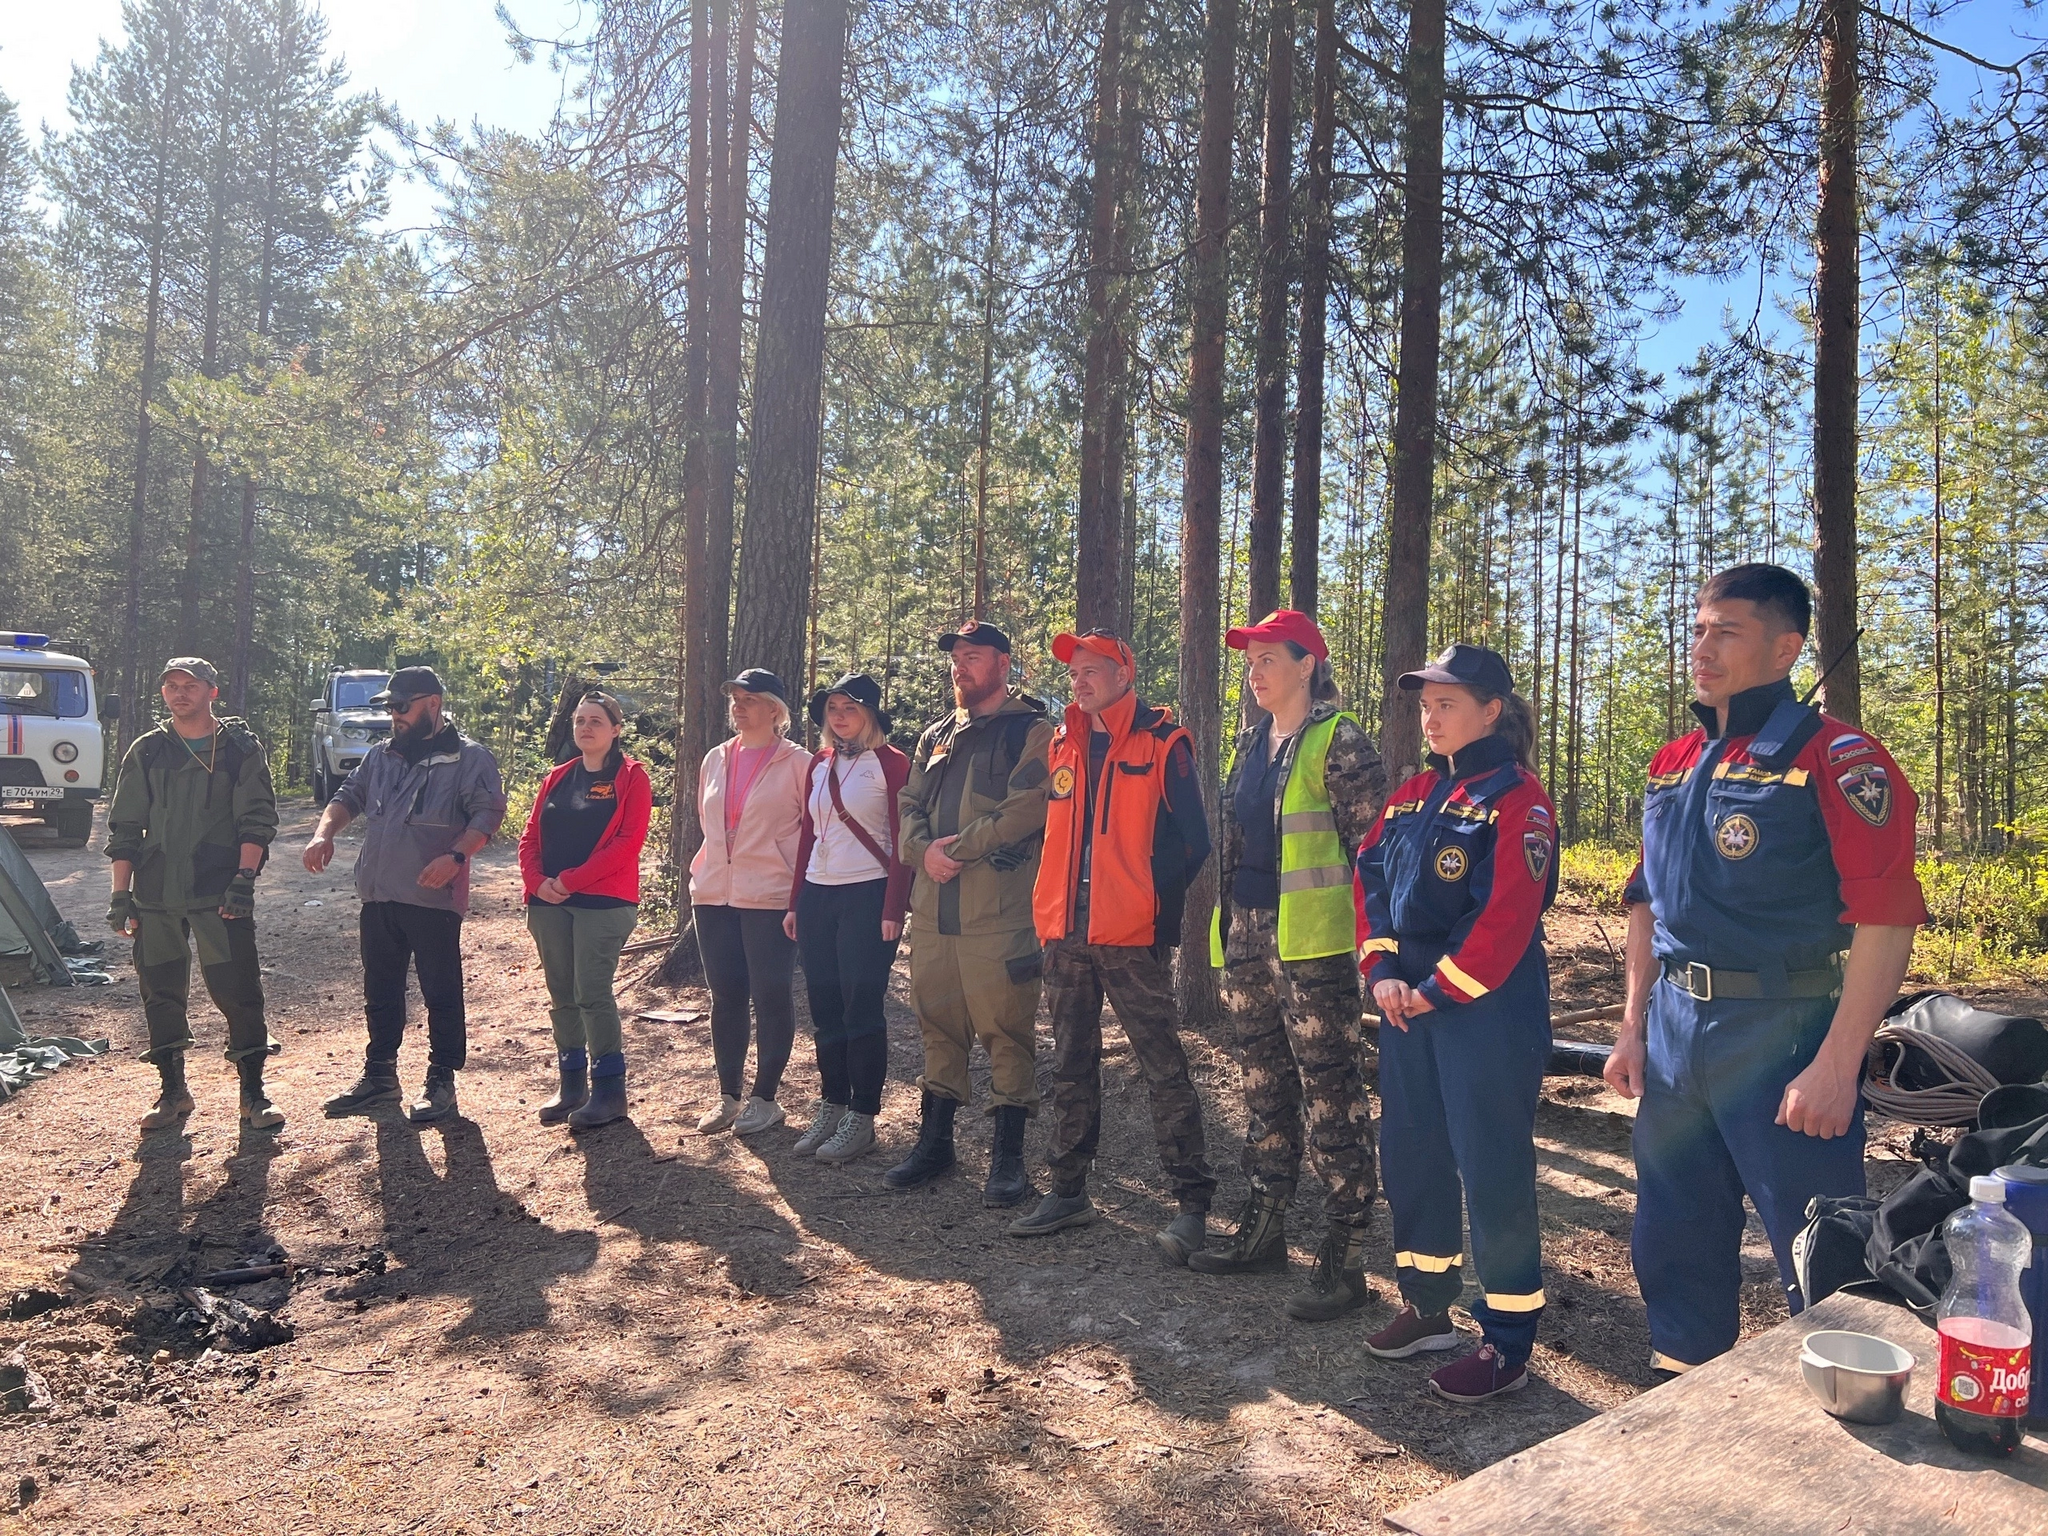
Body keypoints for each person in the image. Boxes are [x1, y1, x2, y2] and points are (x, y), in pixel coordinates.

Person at [1604, 564, 1926, 1376]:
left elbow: (1885, 924)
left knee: (1818, 1245)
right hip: (1677, 1036)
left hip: (1786, 1032)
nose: (1702, 647)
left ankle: (1838, 1412)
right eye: (1699, 629)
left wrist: (1837, 1064)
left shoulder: (1838, 757)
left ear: (1785, 649)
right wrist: (1634, 1027)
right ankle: (1682, 1384)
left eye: (1728, 632)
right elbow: (1647, 904)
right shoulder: (1672, 761)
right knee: (1673, 1230)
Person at [1355, 643, 1556, 1404]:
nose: (1430, 717)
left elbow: (1504, 918)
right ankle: (1429, 1306)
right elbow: (1369, 880)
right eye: (1425, 704)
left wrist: (1430, 991)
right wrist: (1382, 973)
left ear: (1490, 711)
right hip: (1409, 1009)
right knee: (1413, 1154)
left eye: (1446, 703)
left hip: (1485, 1012)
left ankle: (1507, 1341)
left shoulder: (1518, 799)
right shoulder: (1409, 795)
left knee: (1493, 1170)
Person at [1192, 611, 1387, 1322]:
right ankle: (1266, 1225)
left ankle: (1347, 1249)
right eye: (1250, 660)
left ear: (1308, 664)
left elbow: (1376, 849)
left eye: (1270, 657)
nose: (1256, 670)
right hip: (1244, 936)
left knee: (1331, 1092)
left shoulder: (1341, 742)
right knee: (1263, 1088)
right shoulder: (1250, 744)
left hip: (1313, 947)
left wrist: (1380, 944)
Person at [1010, 629, 1217, 1261]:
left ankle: (1191, 1206)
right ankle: (1068, 1189)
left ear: (1124, 674)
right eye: (1074, 671)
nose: (1080, 678)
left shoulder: (1162, 741)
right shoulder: (1063, 742)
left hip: (1131, 936)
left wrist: (1146, 905)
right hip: (1065, 932)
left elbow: (1195, 841)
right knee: (1071, 1062)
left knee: (1163, 1067)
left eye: (1093, 668)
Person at [888, 621, 1054, 1204]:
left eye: (974, 657)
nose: (961, 667)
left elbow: (1026, 810)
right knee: (938, 1028)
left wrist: (949, 852)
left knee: (1006, 1034)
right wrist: (919, 852)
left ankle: (1008, 1162)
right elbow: (909, 803)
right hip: (934, 915)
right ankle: (935, 1146)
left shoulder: (1031, 731)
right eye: (956, 658)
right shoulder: (936, 735)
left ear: (1003, 665)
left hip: (998, 918)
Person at [305, 666, 507, 1124]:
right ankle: (379, 1076)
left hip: (432, 898)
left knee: (440, 991)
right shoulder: (382, 756)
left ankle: (442, 1080)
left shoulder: (470, 759)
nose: (393, 715)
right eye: (390, 706)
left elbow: (487, 816)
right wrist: (323, 834)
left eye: (401, 706)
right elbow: (348, 795)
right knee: (380, 988)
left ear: (432, 704)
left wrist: (455, 857)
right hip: (378, 895)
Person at [105, 658, 282, 1131]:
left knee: (239, 991)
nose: (179, 693)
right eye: (171, 686)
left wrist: (244, 880)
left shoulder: (239, 750)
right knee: (160, 993)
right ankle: (173, 1093)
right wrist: (121, 896)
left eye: (190, 685)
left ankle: (253, 1095)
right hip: (156, 893)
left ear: (212, 692)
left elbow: (257, 819)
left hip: (218, 892)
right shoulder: (147, 751)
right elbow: (125, 826)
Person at [785, 674, 913, 1164]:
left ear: (872, 715)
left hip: (868, 895)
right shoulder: (819, 763)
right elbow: (807, 836)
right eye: (832, 707)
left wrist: (893, 908)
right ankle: (832, 1102)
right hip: (819, 895)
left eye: (850, 707)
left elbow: (903, 841)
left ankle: (863, 1116)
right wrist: (797, 902)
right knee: (825, 1007)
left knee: (861, 1008)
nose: (839, 716)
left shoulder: (892, 763)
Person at [518, 692, 652, 1131]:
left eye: (596, 721)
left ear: (615, 730)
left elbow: (626, 844)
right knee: (562, 995)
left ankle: (609, 1091)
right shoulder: (558, 777)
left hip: (604, 902)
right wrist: (538, 883)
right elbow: (530, 836)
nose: (586, 728)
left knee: (591, 991)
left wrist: (570, 881)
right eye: (579, 720)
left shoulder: (632, 777)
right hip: (548, 903)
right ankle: (571, 1084)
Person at [688, 668, 809, 1136]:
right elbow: (705, 819)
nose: (738, 705)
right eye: (735, 698)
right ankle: (728, 1096)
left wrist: (798, 895)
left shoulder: (798, 763)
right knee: (726, 996)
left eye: (750, 698)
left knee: (772, 994)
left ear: (775, 710)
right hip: (715, 893)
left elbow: (811, 832)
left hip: (771, 894)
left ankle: (765, 1099)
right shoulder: (715, 759)